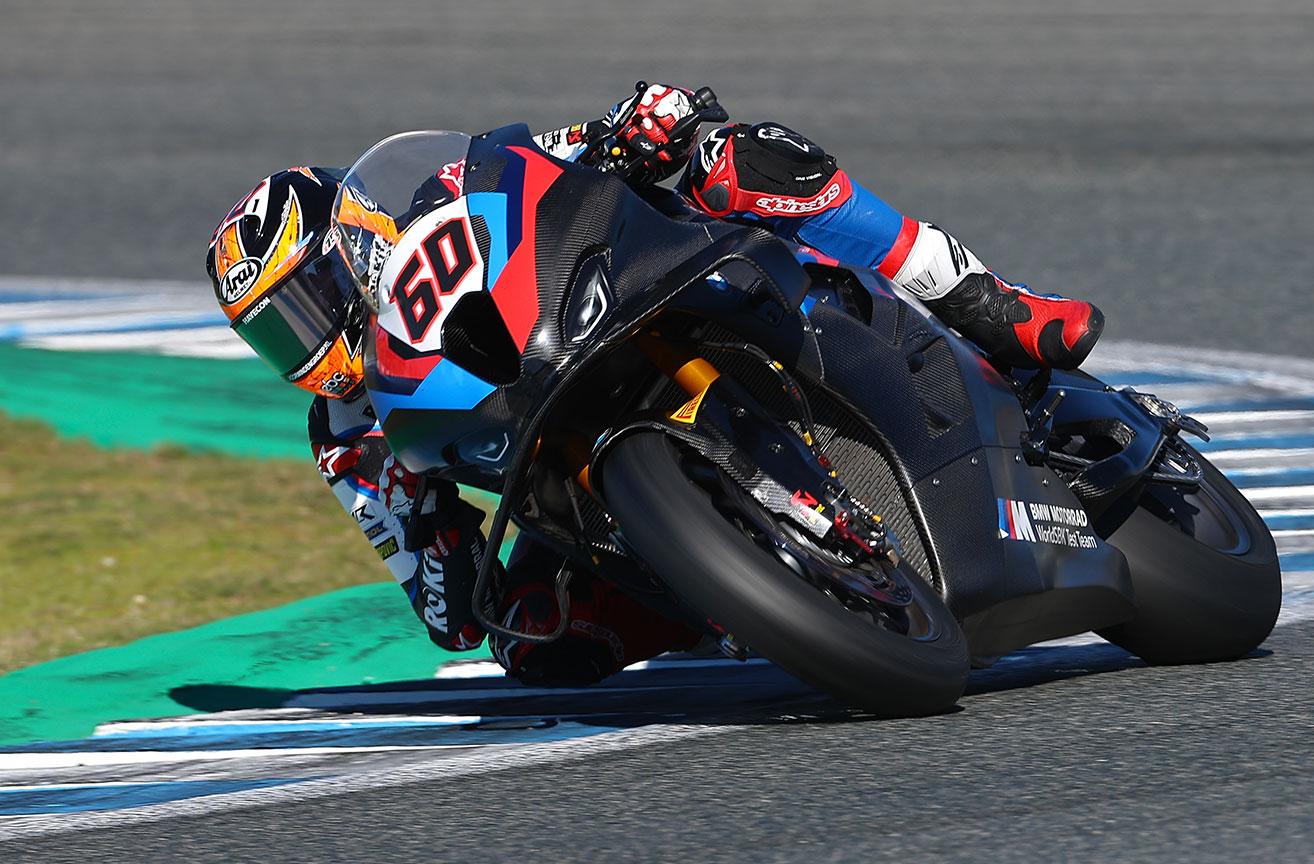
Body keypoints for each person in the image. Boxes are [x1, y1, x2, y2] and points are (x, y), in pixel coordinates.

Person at [205, 84, 1105, 686]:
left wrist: (636, 122)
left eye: (308, 301)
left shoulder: (439, 198)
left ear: (354, 241)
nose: (308, 341)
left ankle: (987, 300)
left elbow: (558, 151)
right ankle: (731, 596)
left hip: (634, 287)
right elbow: (448, 616)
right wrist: (430, 535)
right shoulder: (345, 434)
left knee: (732, 159)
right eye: (276, 333)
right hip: (556, 461)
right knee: (537, 641)